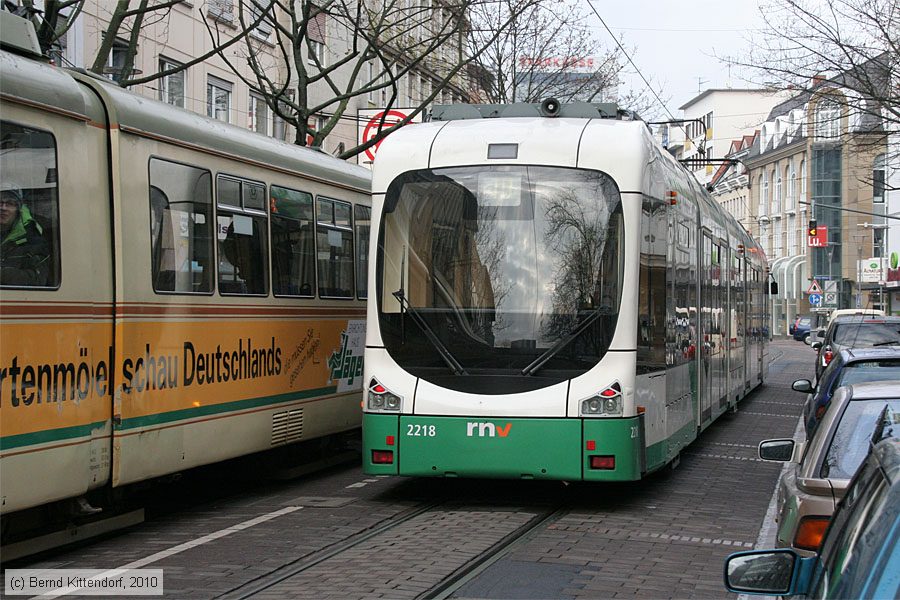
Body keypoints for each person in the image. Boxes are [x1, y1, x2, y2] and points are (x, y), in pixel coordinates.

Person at [0, 188, 50, 286]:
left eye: (10, 203)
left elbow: (38, 279)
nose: (3, 208)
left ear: (19, 210)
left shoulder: (33, 240)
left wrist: (2, 274)